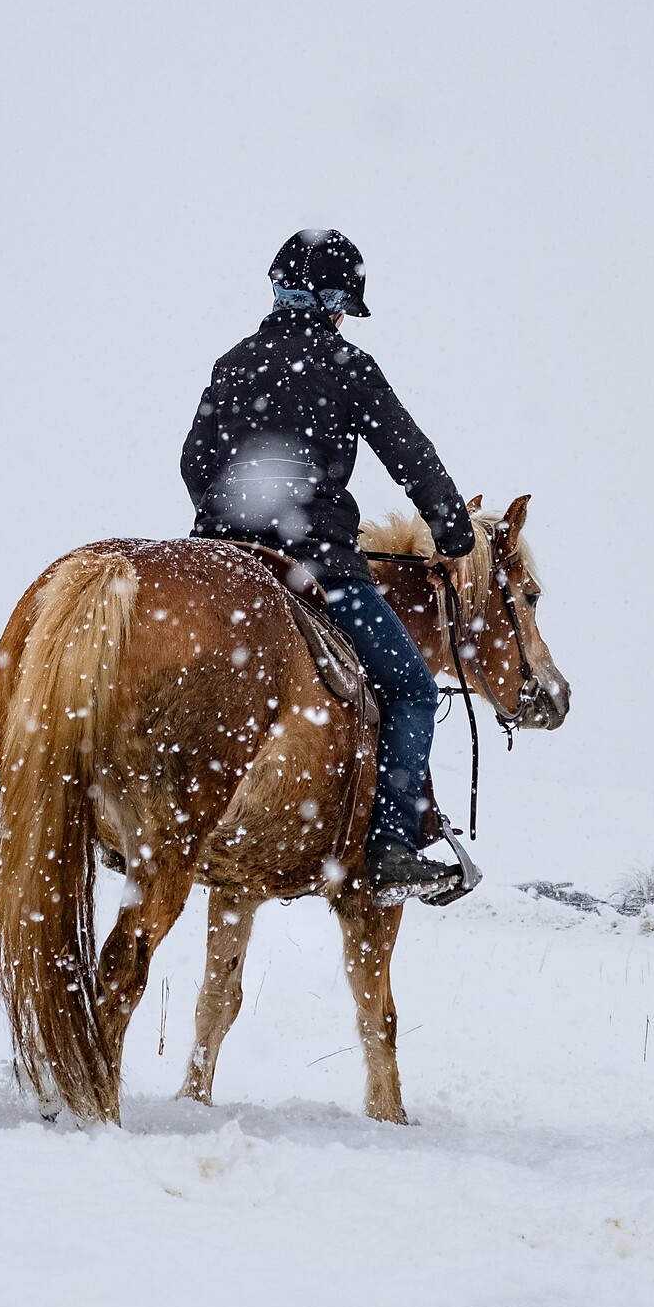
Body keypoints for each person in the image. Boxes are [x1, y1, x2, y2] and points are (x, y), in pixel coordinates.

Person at [181, 228, 477, 904]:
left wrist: (232, 525)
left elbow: (193, 463)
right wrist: (454, 535)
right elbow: (412, 456)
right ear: (337, 303)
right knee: (411, 689)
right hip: (318, 570)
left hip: (219, 562)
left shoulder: (233, 362)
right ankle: (393, 847)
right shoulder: (348, 365)